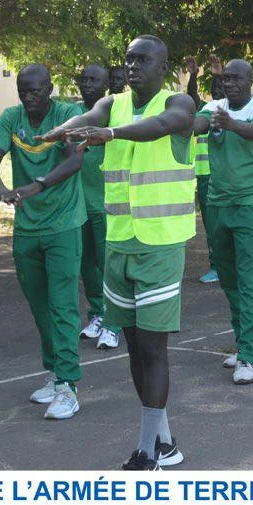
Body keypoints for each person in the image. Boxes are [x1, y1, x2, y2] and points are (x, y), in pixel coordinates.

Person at [41, 35, 194, 469]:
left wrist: (106, 134)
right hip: (119, 242)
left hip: (160, 244)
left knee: (153, 348)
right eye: (128, 59)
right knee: (133, 346)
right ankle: (164, 442)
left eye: (143, 59)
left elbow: (161, 127)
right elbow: (86, 119)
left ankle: (146, 451)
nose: (132, 66)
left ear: (163, 65)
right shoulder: (112, 104)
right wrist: (53, 133)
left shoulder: (179, 103)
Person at [0, 65, 86, 420]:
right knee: (40, 306)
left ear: (50, 89)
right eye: (23, 91)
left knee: (62, 306)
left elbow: (75, 160)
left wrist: (38, 184)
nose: (29, 97)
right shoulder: (12, 118)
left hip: (63, 225)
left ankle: (69, 387)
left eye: (36, 91)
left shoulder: (68, 115)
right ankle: (55, 372)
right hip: (27, 228)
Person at [195, 59, 253, 384]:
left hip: (250, 201)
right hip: (217, 201)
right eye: (225, 78)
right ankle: (251, 342)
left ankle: (245, 357)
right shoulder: (213, 106)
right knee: (227, 277)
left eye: (236, 78)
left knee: (248, 276)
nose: (230, 83)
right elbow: (198, 125)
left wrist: (229, 124)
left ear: (250, 79)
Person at [73, 64, 116, 348]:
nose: (87, 83)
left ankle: (114, 323)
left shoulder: (114, 115)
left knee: (107, 265)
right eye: (84, 79)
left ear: (106, 85)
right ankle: (98, 314)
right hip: (78, 204)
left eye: (94, 80)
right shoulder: (71, 114)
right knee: (86, 265)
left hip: (104, 202)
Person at [186, 56, 226, 284]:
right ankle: (217, 267)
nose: (218, 89)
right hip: (204, 174)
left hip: (226, 175)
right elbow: (191, 98)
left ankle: (231, 265)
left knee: (229, 222)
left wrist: (218, 73)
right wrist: (193, 74)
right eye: (214, 87)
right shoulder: (204, 109)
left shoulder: (235, 108)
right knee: (211, 224)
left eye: (221, 85)